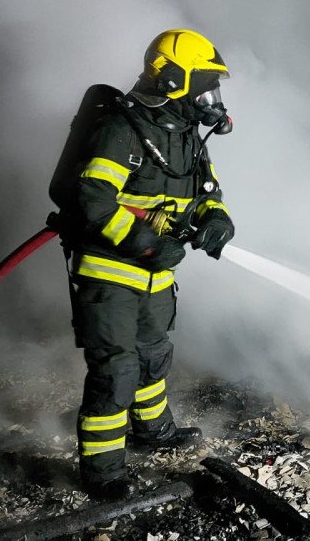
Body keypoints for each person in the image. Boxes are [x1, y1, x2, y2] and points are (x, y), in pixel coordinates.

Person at [66, 29, 235, 500]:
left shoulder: (186, 138)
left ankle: (154, 431)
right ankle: (103, 474)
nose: (211, 98)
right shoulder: (121, 130)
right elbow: (92, 199)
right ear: (172, 81)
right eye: (203, 85)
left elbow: (207, 193)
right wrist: (144, 244)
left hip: (157, 275)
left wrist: (217, 220)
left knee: (153, 354)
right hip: (109, 274)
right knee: (116, 370)